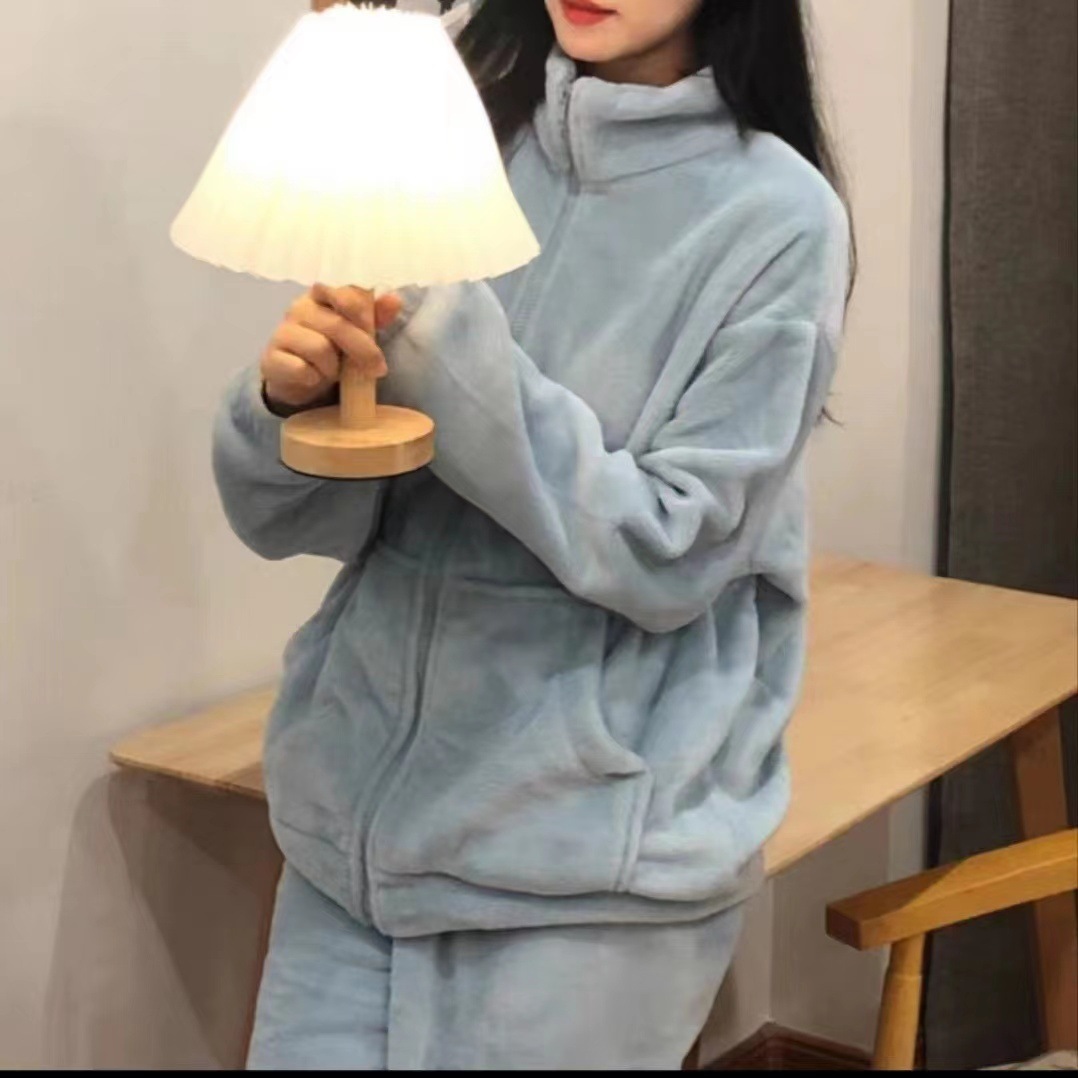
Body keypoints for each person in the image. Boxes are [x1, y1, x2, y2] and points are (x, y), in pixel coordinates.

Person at [214, 0, 853, 1069]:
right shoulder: (462, 136)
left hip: (584, 879)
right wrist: (292, 403)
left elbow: (671, 553)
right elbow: (310, 522)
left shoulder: (779, 216)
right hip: (348, 843)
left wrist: (449, 354)